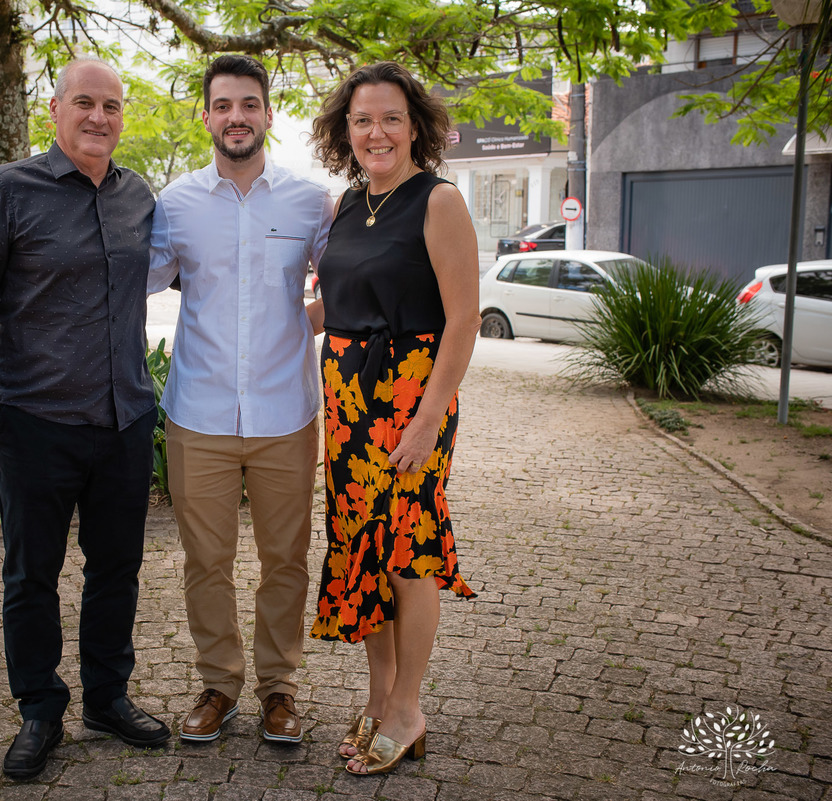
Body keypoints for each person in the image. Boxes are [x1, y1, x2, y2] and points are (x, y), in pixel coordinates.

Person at [0, 57, 169, 781]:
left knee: (117, 569)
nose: (99, 117)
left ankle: (107, 698)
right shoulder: (10, 190)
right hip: (36, 420)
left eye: (111, 106)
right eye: (85, 103)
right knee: (31, 574)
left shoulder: (139, 196)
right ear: (55, 109)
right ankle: (39, 708)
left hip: (125, 418)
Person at [148, 54, 334, 744]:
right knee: (207, 560)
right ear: (206, 116)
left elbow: (346, 280)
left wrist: (301, 325)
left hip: (287, 412)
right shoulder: (174, 203)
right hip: (199, 412)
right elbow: (136, 278)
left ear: (268, 114)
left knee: (286, 558)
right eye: (223, 105)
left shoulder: (310, 200)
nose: (236, 117)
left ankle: (279, 688)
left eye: (249, 104)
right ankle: (219, 685)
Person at [305, 62, 480, 776]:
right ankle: (379, 698)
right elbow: (339, 304)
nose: (376, 132)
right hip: (346, 404)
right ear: (344, 130)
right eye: (362, 120)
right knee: (360, 548)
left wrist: (428, 420)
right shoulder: (349, 204)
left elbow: (464, 319)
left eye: (390, 119)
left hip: (411, 399)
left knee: (408, 550)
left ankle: (408, 707)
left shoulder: (438, 201)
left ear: (415, 128)